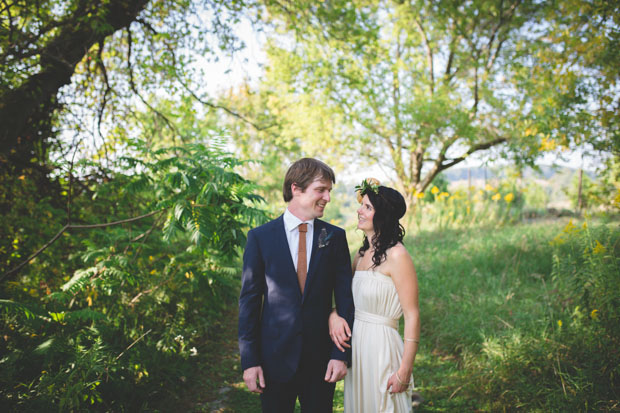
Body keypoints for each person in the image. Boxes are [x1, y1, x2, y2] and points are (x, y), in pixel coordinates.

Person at [238, 158, 355, 412]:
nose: (327, 197)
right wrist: (250, 361)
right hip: (273, 362)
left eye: (329, 191)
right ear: (296, 188)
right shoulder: (260, 238)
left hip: (321, 362)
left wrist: (340, 354)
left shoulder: (335, 237)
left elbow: (345, 297)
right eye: (321, 189)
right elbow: (249, 302)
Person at [329, 178, 420, 413]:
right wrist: (333, 315)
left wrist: (405, 370)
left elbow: (412, 315)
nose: (359, 210)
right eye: (362, 205)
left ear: (383, 216)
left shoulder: (398, 255)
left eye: (367, 207)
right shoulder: (360, 255)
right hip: (358, 350)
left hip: (383, 348)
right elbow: (346, 300)